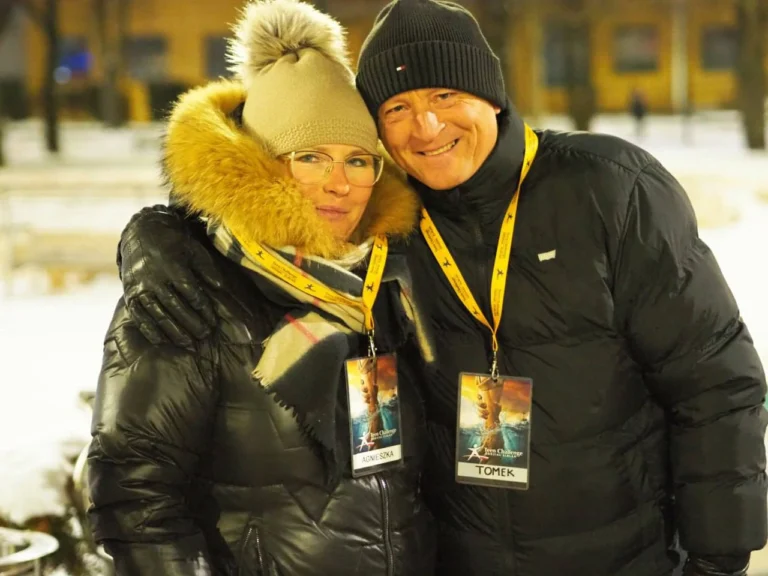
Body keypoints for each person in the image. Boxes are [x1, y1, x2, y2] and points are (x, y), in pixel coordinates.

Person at [110, 0, 768, 575]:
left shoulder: (607, 189)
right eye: (398, 108)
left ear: (492, 97)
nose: (426, 127)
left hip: (622, 556)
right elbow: (243, 226)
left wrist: (719, 553)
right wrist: (161, 247)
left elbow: (714, 381)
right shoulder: (387, 228)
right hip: (461, 561)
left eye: (446, 96)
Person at [86, 2, 436, 575]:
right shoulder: (188, 290)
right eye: (311, 157)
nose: (340, 183)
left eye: (358, 160)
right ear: (260, 166)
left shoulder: (387, 280)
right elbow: (136, 500)